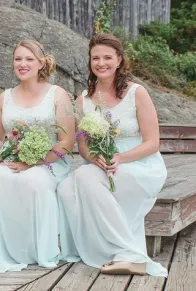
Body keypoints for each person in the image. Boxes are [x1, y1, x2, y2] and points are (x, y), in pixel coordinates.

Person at [57, 33, 168, 276]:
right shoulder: (83, 100)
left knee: (86, 179)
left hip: (139, 162)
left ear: (119, 60)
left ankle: (130, 255)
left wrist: (121, 158)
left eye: (107, 57)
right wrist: (92, 157)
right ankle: (100, 250)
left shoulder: (137, 93)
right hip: (102, 162)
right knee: (66, 188)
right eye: (95, 58)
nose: (101, 63)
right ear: (89, 62)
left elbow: (152, 142)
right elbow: (83, 145)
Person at [0, 39, 75, 274]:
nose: (22, 64)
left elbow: (66, 142)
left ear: (41, 63)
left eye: (29, 59)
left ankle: (37, 249)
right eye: (18, 59)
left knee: (32, 180)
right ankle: (6, 248)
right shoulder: (5, 97)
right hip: (12, 157)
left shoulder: (58, 94)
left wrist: (32, 162)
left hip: (50, 161)